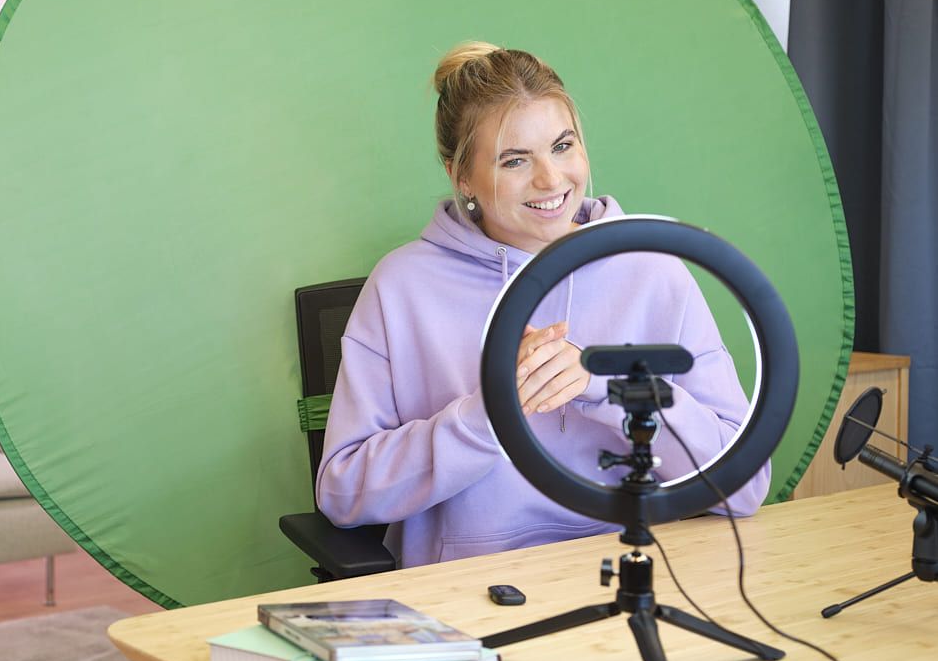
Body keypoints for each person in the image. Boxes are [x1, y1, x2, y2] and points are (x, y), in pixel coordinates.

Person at [316, 41, 770, 566]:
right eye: (514, 160)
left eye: (562, 146)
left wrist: (612, 386)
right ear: (460, 175)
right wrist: (487, 416)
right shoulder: (401, 286)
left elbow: (744, 486)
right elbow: (342, 494)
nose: (551, 180)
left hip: (632, 572)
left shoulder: (652, 270)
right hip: (468, 584)